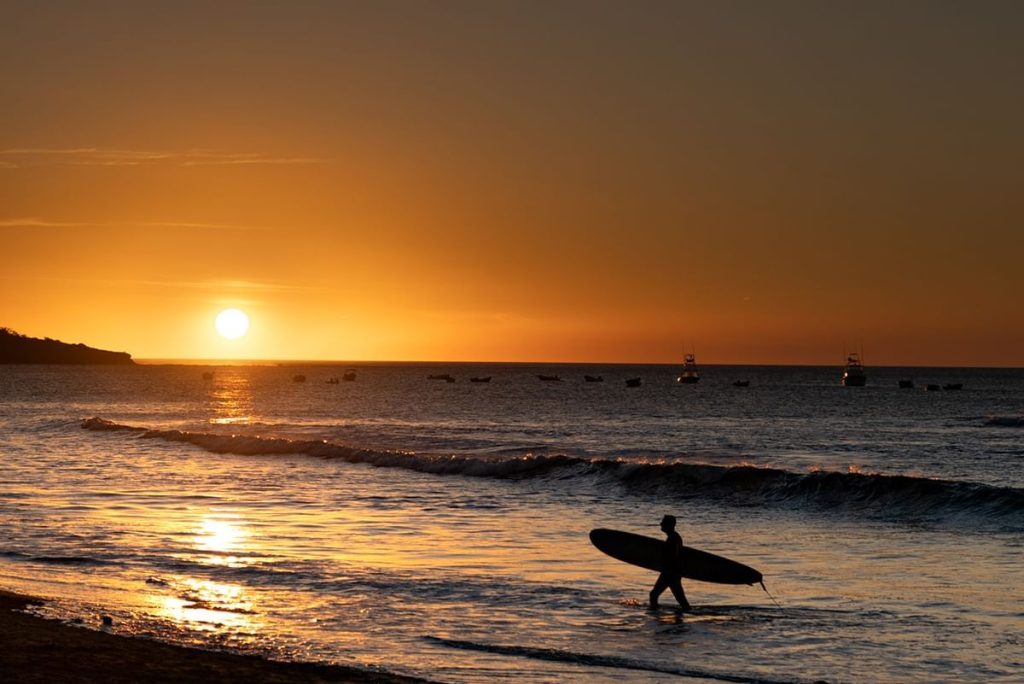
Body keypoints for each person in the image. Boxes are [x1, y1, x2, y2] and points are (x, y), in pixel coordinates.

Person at [649, 514, 691, 611]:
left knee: (654, 594)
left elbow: (674, 556)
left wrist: (668, 571)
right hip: (672, 572)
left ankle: (655, 615)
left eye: (663, 523)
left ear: (669, 525)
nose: (661, 524)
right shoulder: (673, 537)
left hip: (670, 572)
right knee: (681, 599)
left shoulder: (673, 538)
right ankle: (681, 619)